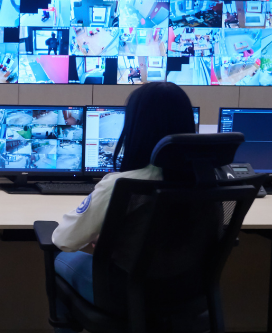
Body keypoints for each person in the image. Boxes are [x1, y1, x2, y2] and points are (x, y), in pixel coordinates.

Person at [49, 82, 196, 330]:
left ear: (136, 127)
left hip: (127, 295)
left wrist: (103, 237)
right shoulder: (211, 180)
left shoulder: (124, 184)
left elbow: (65, 240)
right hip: (191, 293)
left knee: (57, 257)